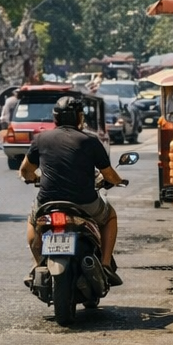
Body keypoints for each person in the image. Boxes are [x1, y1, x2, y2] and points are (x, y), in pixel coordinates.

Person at [20, 95, 124, 285]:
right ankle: (107, 264)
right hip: (85, 204)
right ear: (79, 118)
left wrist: (34, 178)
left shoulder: (41, 139)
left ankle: (37, 265)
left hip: (47, 203)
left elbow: (25, 170)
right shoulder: (90, 141)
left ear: (55, 118)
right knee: (110, 216)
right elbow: (108, 174)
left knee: (33, 220)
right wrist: (119, 181)